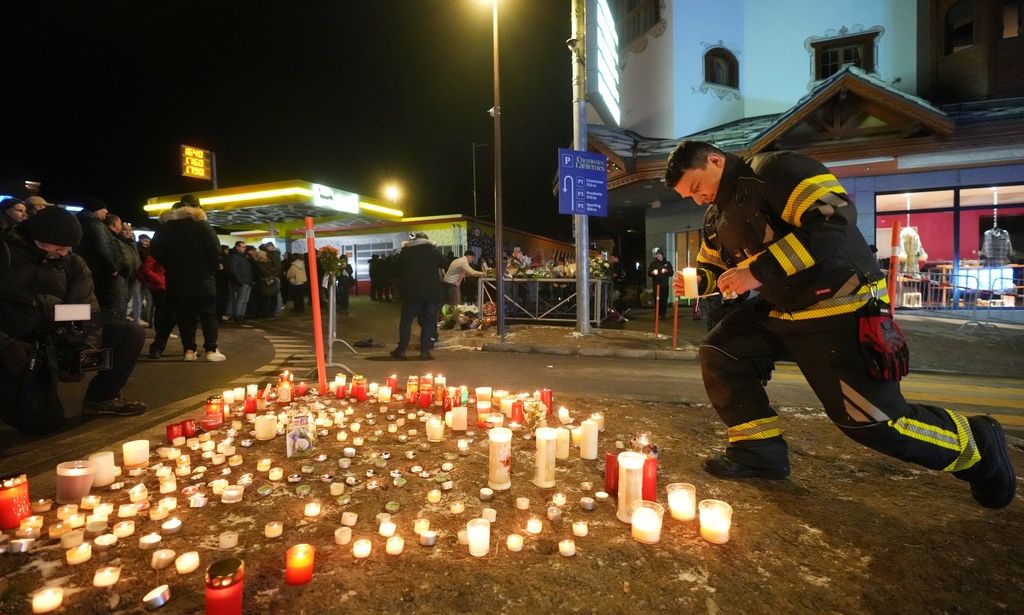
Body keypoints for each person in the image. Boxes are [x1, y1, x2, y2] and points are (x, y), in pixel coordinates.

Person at [663, 140, 1015, 508]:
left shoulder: (776, 170)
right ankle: (758, 450)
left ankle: (976, 444)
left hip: (840, 304)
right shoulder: (715, 217)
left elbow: (834, 217)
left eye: (696, 187)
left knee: (873, 422)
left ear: (715, 160)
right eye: (689, 195)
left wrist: (757, 271)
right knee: (722, 351)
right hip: (783, 307)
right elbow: (715, 266)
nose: (698, 199)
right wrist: (699, 282)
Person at [0, 207, 146, 434]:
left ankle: (102, 398)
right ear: (37, 238)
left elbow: (82, 308)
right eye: (58, 247)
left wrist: (80, 344)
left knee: (129, 333)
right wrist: (6, 344)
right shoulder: (6, 254)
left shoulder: (72, 262)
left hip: (51, 332)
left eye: (70, 247)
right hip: (14, 339)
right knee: (42, 424)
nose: (65, 252)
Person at [150, 195, 226, 362]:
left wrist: (170, 265)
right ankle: (211, 350)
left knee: (185, 317)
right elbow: (215, 250)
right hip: (203, 280)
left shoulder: (167, 227)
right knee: (208, 315)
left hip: (177, 280)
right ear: (197, 207)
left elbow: (155, 250)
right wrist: (213, 267)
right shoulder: (202, 225)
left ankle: (189, 351)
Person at [390, 232, 444, 360]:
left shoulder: (406, 251)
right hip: (431, 293)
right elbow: (444, 263)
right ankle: (425, 351)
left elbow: (396, 270)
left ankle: (402, 350)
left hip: (411, 293)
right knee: (428, 322)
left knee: (406, 320)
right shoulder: (433, 251)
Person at [74, 198, 124, 321]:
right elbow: (104, 248)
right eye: (103, 209)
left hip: (83, 269)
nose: (106, 211)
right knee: (106, 305)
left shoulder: (78, 222)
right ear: (96, 211)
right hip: (100, 272)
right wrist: (113, 268)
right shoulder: (96, 224)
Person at [225, 241, 255, 324]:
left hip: (247, 281)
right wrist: (240, 281)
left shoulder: (243, 257)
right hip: (243, 282)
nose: (244, 248)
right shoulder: (235, 257)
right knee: (241, 300)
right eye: (242, 247)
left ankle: (241, 315)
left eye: (245, 247)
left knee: (244, 300)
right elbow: (233, 270)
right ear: (237, 247)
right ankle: (238, 316)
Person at [647, 247, 673, 318]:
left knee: (664, 299)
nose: (658, 256)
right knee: (657, 299)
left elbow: (671, 273)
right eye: (657, 255)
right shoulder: (653, 264)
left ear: (662, 255)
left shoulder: (667, 263)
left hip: (665, 285)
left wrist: (666, 271)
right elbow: (649, 273)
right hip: (656, 285)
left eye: (659, 254)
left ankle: (663, 314)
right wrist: (652, 272)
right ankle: (658, 313)